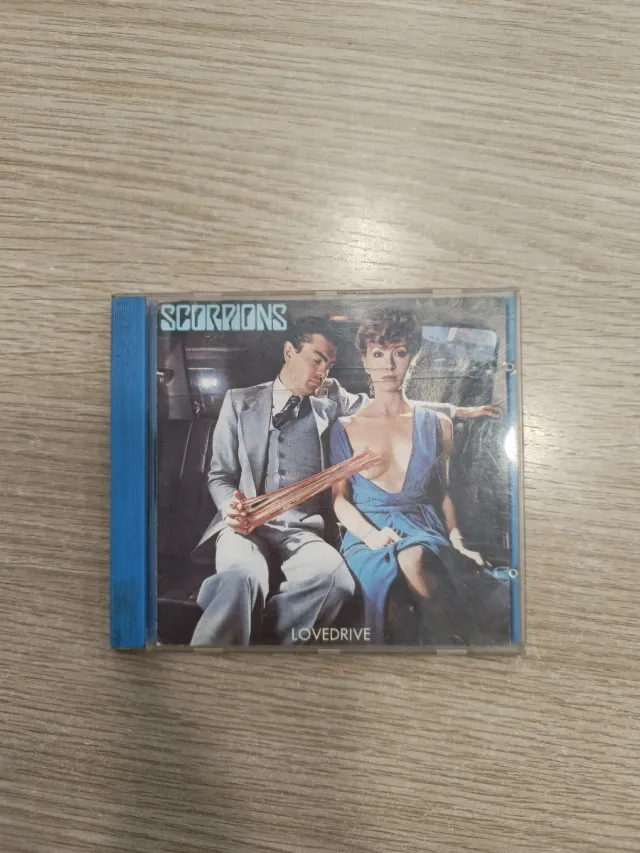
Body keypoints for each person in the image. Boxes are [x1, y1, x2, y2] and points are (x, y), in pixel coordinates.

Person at [191, 315, 500, 646]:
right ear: (289, 352)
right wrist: (231, 507)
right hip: (245, 528)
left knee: (335, 582)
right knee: (241, 579)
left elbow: (391, 402)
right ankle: (211, 659)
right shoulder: (239, 401)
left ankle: (273, 653)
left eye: (330, 364)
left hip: (302, 532)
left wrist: (458, 411)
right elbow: (220, 474)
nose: (323, 371)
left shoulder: (330, 403)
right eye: (317, 359)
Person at [329, 306, 508, 645]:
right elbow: (339, 499)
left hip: (422, 528)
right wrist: (369, 535)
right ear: (364, 360)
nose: (389, 365)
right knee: (392, 598)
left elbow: (443, 493)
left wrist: (457, 540)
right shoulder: (345, 428)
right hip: (366, 533)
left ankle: (449, 647)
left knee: (415, 558)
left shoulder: (438, 425)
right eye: (378, 354)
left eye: (399, 353)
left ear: (414, 357)